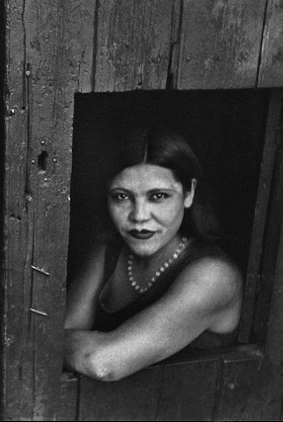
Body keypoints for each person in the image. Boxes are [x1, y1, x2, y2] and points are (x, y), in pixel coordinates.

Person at [64, 126, 242, 381]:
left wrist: (71, 344)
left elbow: (102, 362)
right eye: (121, 196)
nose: (139, 216)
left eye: (158, 196)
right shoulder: (108, 251)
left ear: (189, 193)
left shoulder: (214, 276)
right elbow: (54, 335)